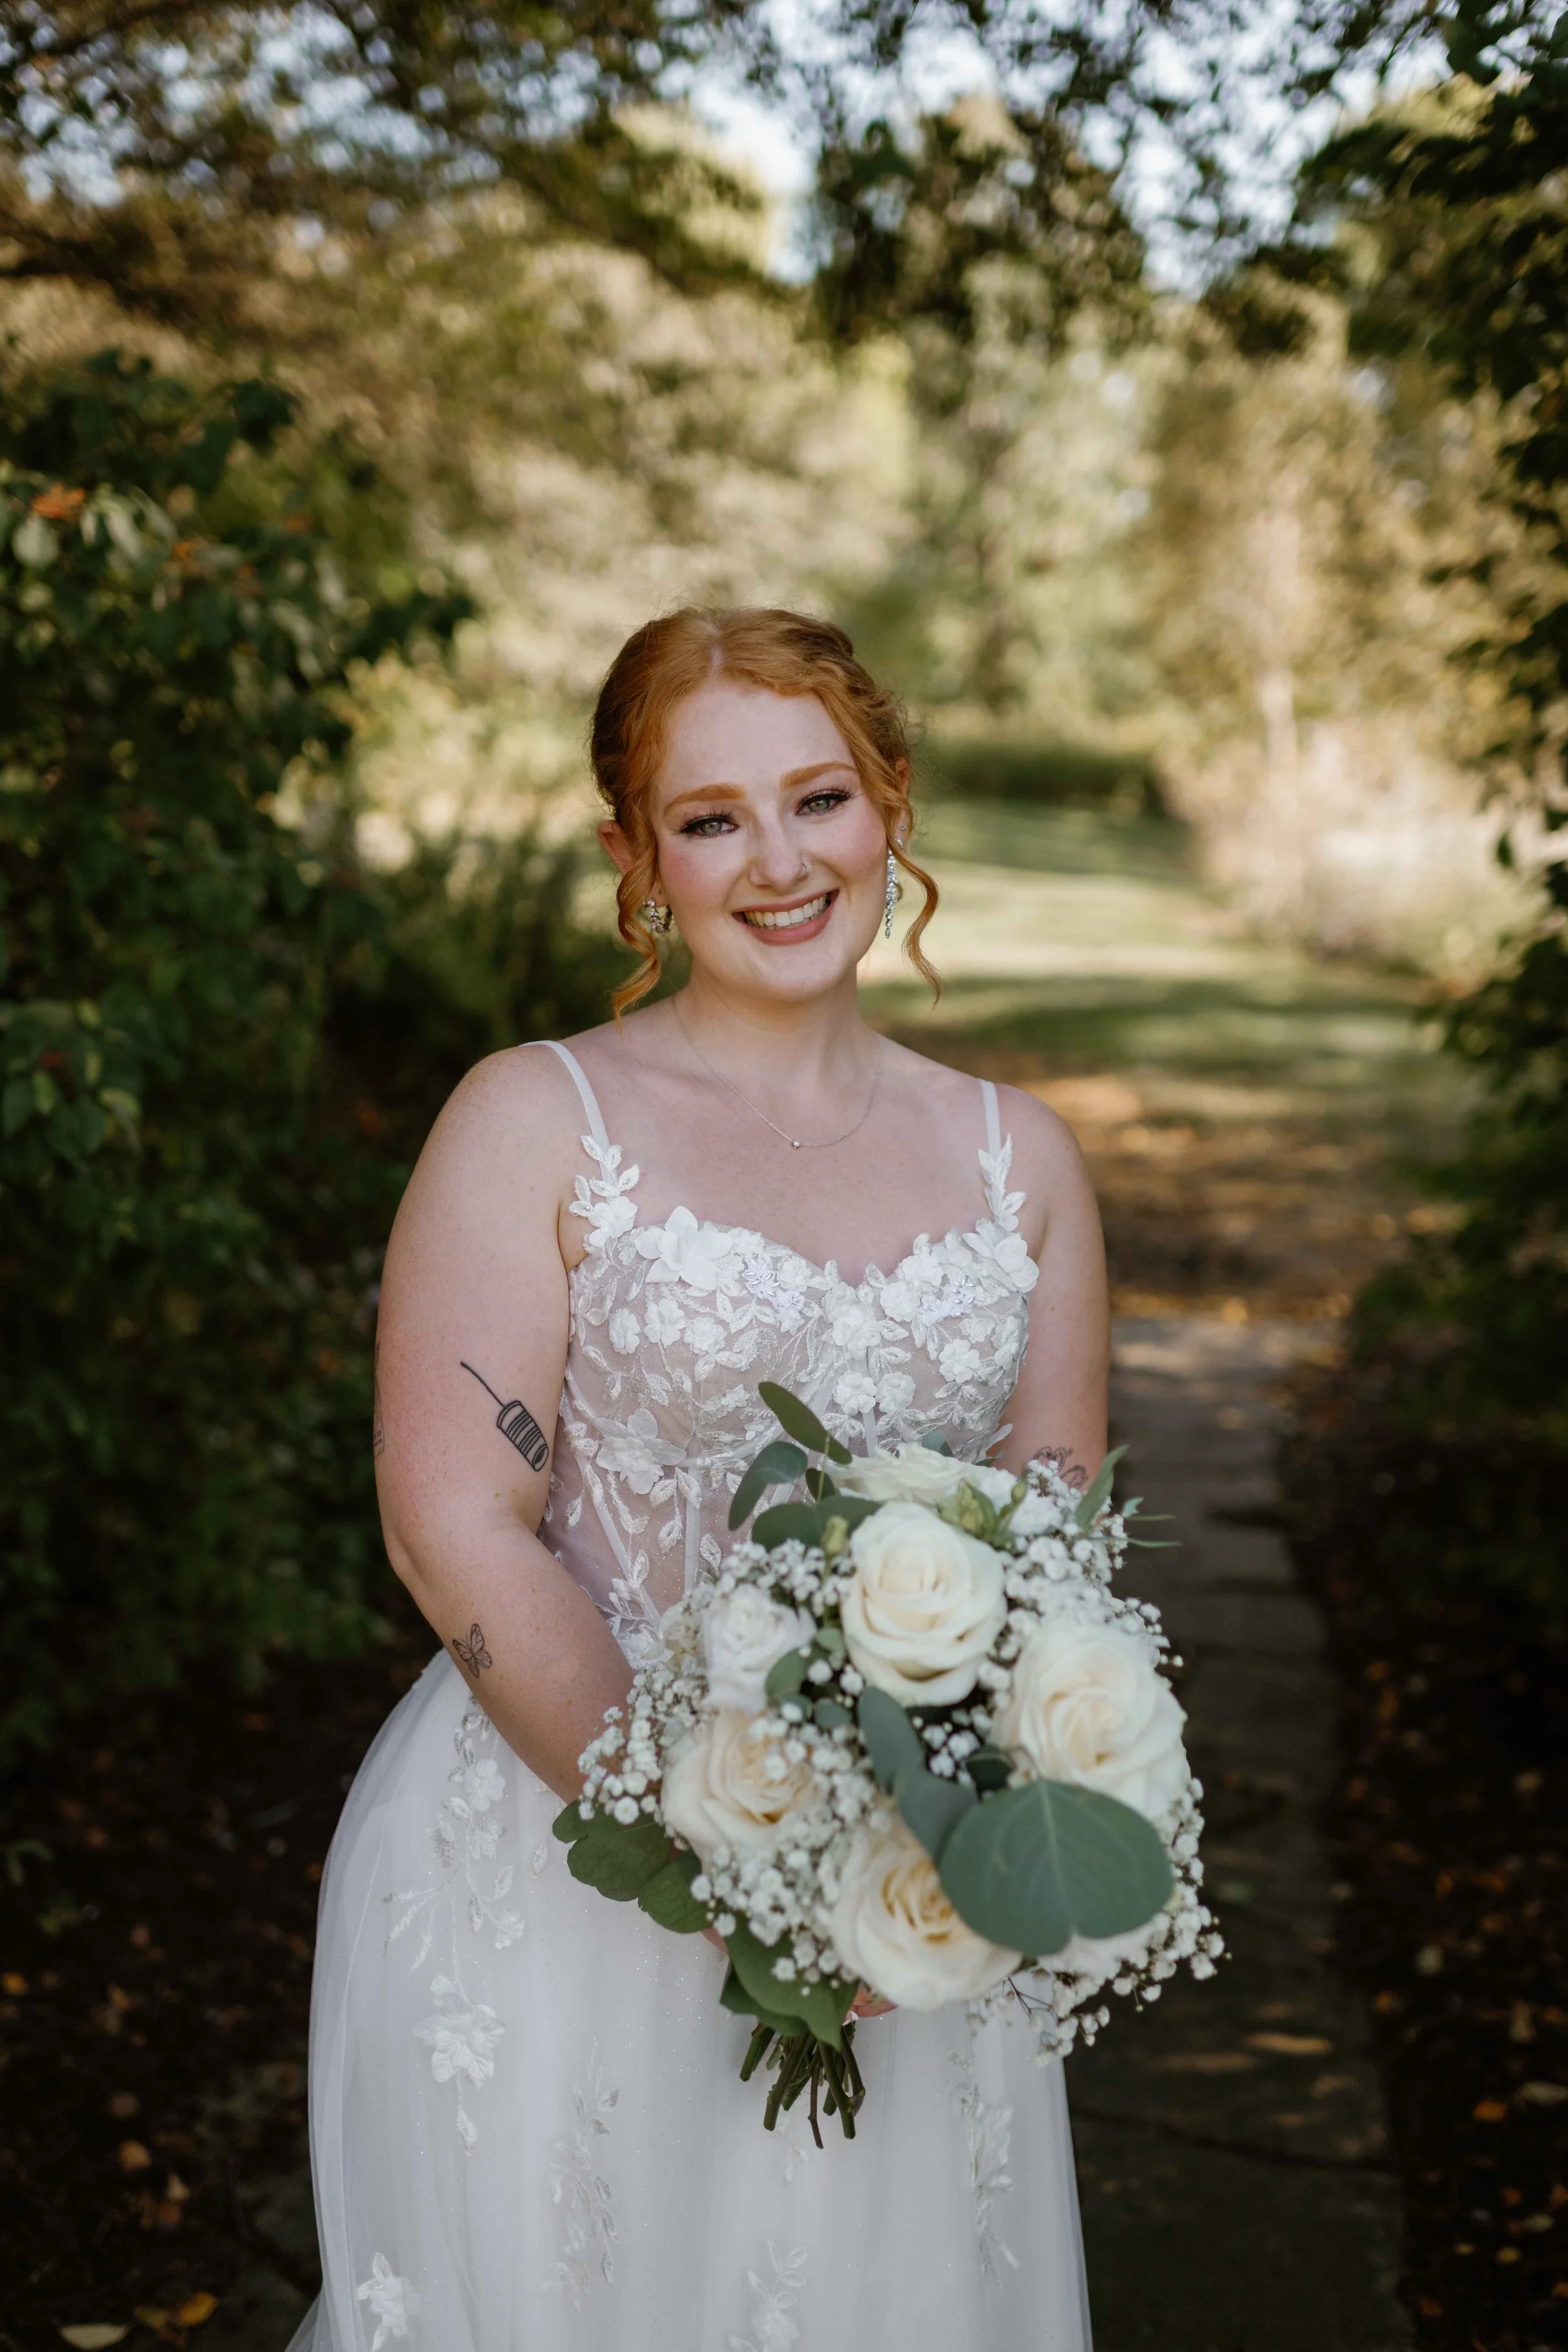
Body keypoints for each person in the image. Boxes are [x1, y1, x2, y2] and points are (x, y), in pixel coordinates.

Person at [288, 607, 1109, 2351]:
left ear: (889, 802)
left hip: (911, 1890)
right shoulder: (532, 1118)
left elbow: (1056, 1548)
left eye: (817, 797)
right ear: (635, 857)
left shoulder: (1015, 1161)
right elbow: (455, 1527)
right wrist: (727, 1848)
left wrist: (933, 1852)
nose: (779, 861)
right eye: (712, 817)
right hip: (573, 1851)